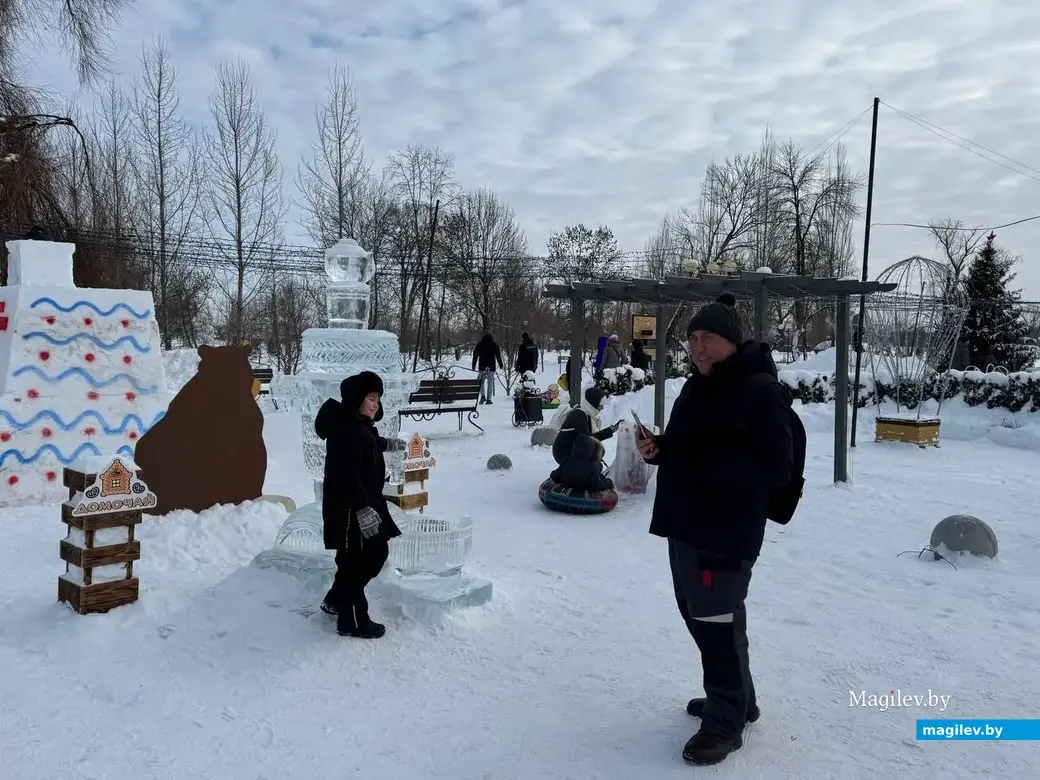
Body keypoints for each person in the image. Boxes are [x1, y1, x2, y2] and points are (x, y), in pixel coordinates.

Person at [634, 293, 795, 766]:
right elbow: (690, 446)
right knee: (701, 613)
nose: (698, 349)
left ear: (732, 342)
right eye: (692, 340)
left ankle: (725, 721)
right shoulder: (699, 385)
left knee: (715, 620)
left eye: (708, 339)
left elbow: (776, 466)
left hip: (722, 530)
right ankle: (738, 696)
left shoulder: (758, 390)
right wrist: (659, 449)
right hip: (687, 522)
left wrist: (697, 462)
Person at [315, 371, 404, 639]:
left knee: (354, 560)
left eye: (378, 398)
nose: (376, 403)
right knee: (367, 557)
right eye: (370, 397)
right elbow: (346, 475)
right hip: (353, 509)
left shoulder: (357, 425)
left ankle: (335, 599)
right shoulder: (347, 431)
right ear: (357, 398)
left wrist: (386, 444)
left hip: (362, 503)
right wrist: (363, 510)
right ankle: (352, 621)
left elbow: (368, 441)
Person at [551, 386, 620, 466]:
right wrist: (609, 431)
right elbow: (587, 440)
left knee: (598, 455)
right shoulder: (579, 414)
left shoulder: (586, 413)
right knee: (595, 458)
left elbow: (588, 440)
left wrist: (610, 430)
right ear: (593, 403)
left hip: (571, 451)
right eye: (601, 404)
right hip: (565, 454)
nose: (602, 407)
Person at [549, 435, 613, 493]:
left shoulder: (566, 462)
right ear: (592, 452)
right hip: (582, 494)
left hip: (566, 492)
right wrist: (608, 482)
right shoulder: (592, 468)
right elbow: (597, 483)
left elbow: (554, 476)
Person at [472, 331, 504, 404]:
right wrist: (501, 364)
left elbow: (475, 355)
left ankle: (483, 396)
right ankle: (489, 399)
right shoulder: (494, 345)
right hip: (491, 366)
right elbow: (498, 356)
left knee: (481, 382)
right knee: (490, 382)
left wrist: (473, 366)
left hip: (482, 366)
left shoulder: (480, 344)